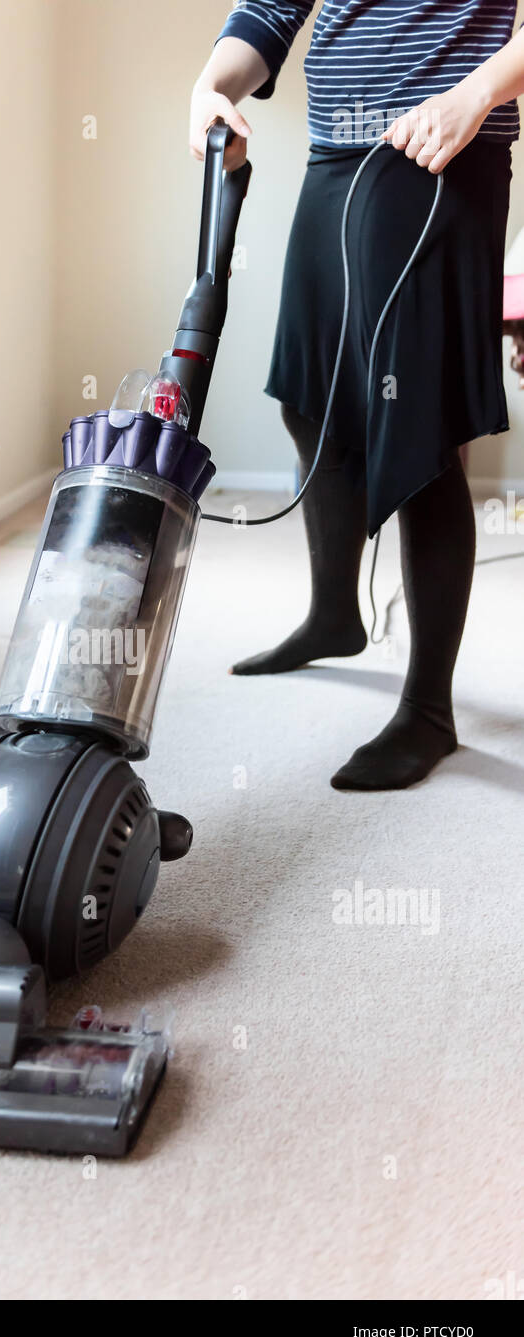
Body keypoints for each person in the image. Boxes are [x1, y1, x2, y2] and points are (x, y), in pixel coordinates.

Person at [191, 2, 524, 790]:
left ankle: (428, 712)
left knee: (420, 429)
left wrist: (473, 95)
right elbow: (274, 9)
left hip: (441, 146)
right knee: (308, 398)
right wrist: (209, 84)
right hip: (333, 154)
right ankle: (334, 614)